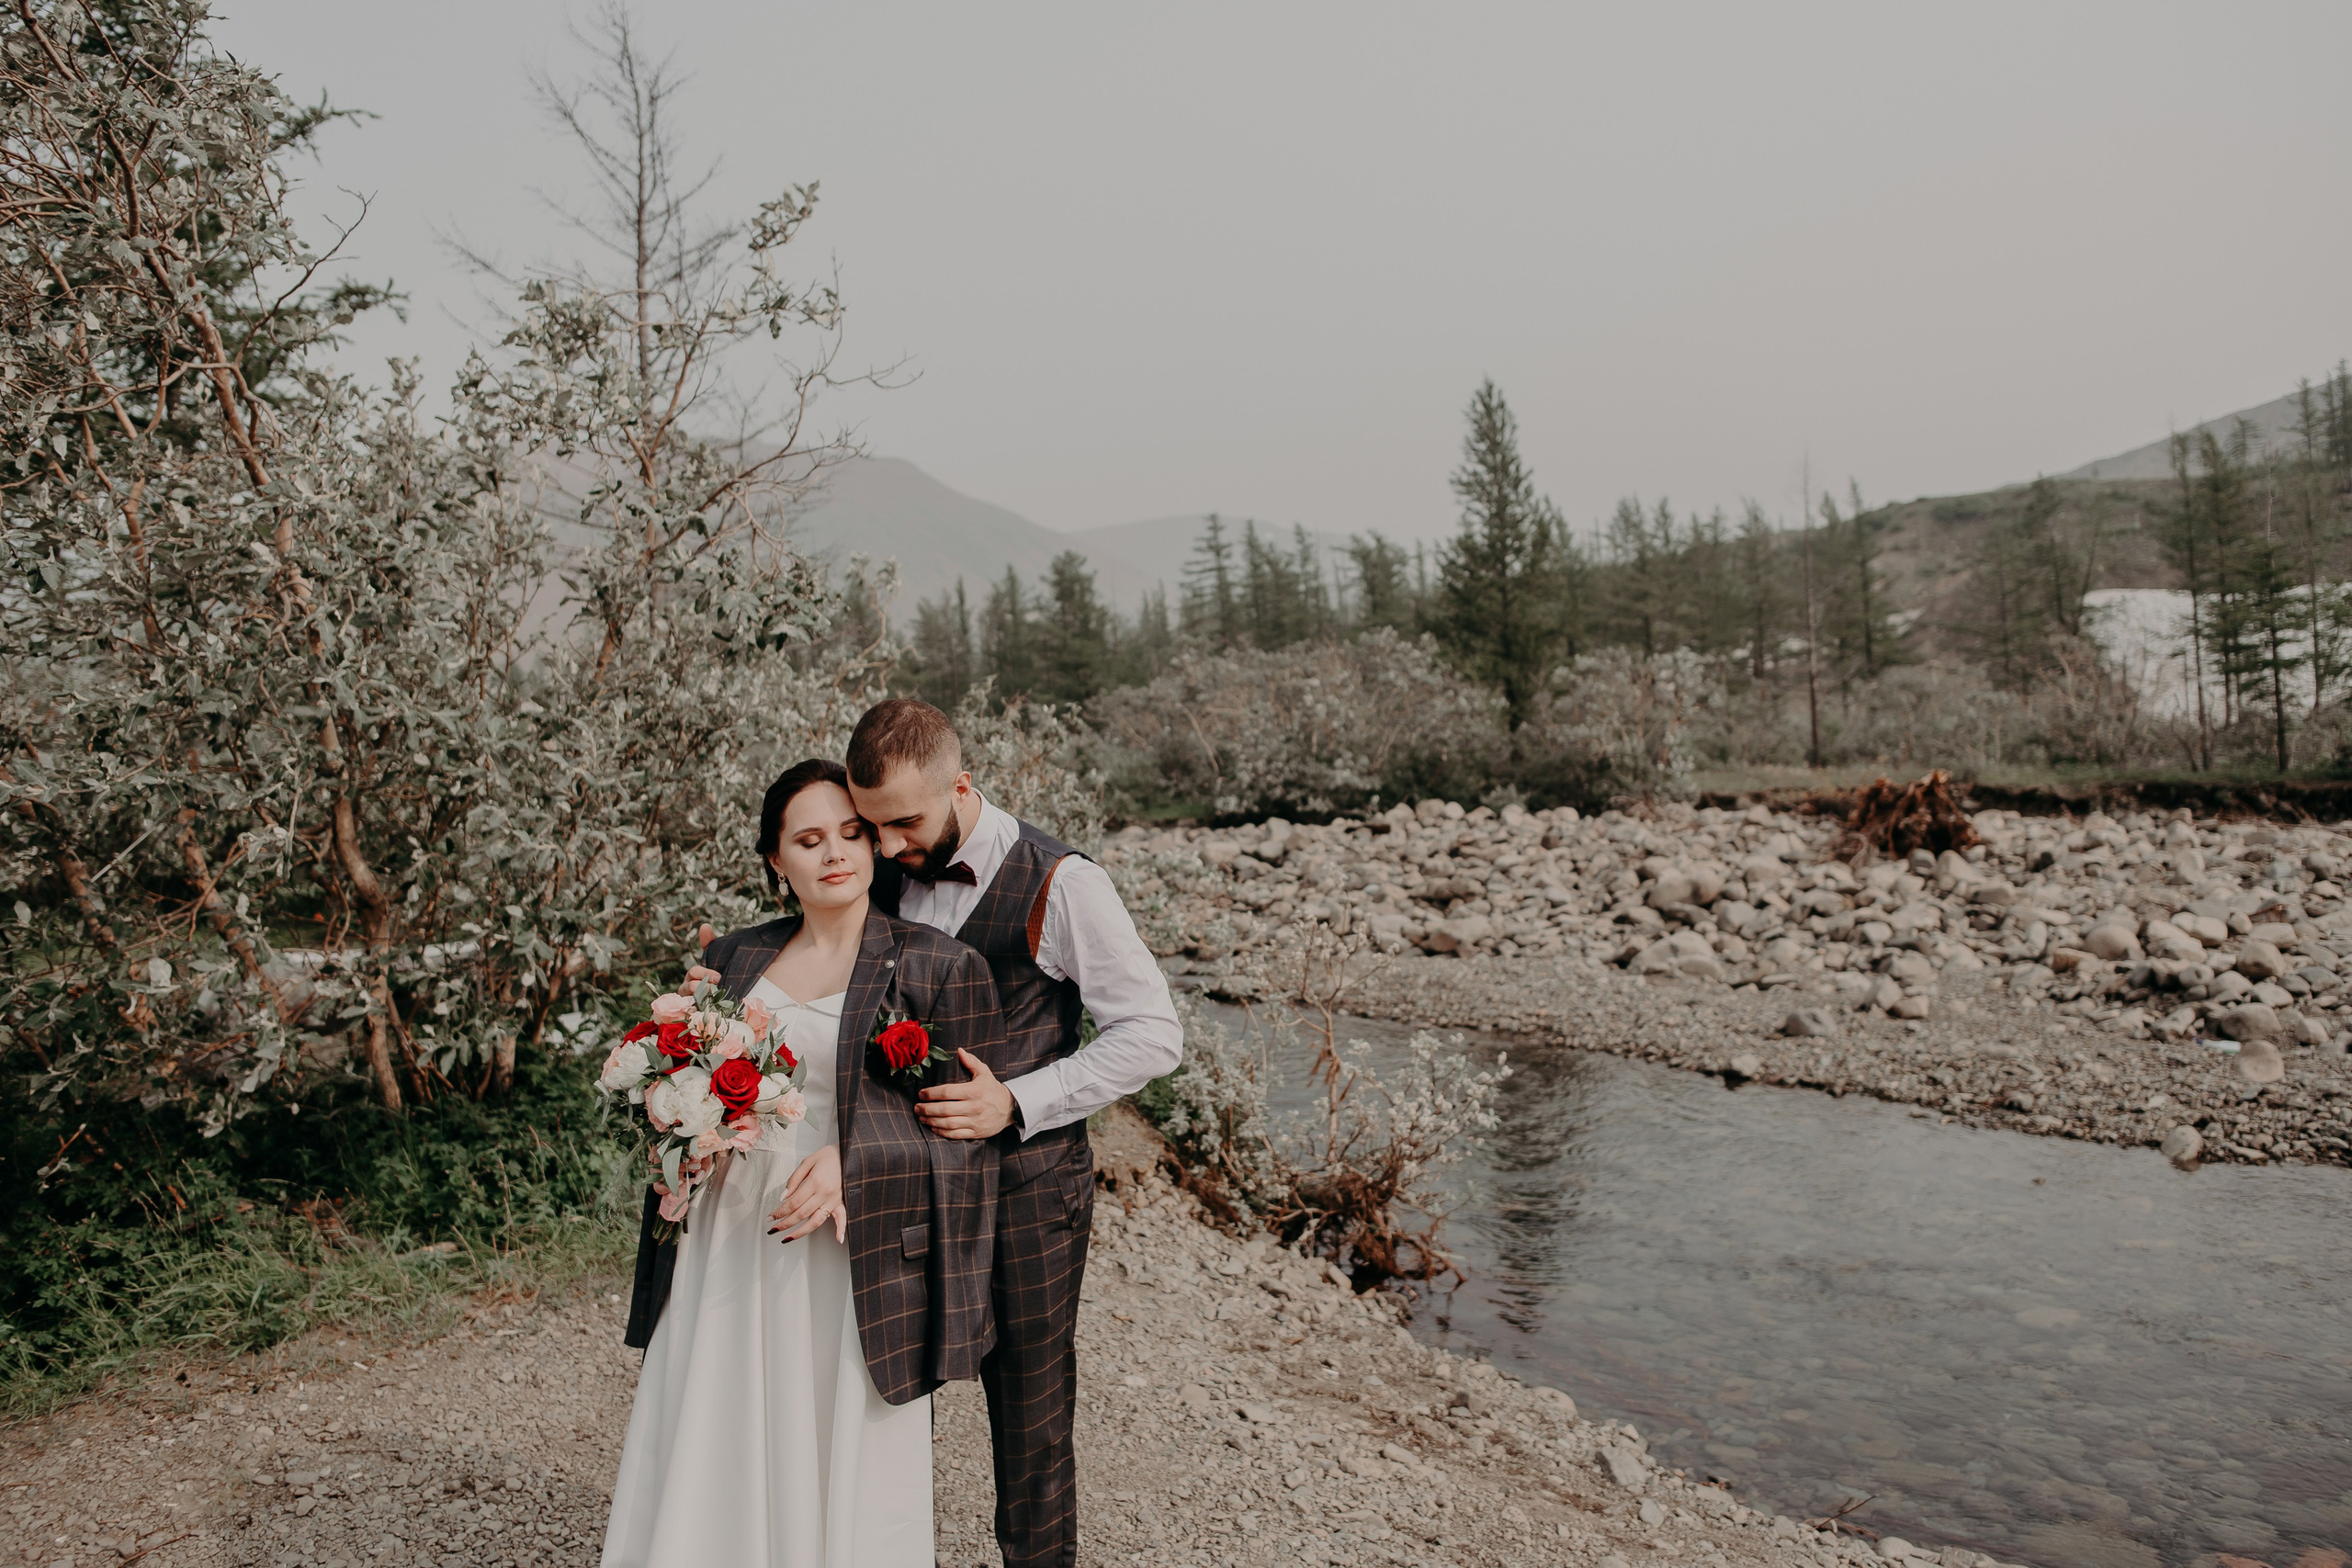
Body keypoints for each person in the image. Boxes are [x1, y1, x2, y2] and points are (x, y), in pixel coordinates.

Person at [604, 758, 1007, 1568]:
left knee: (836, 1428)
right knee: (717, 1412)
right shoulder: (736, 955)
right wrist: (682, 1112)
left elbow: (966, 1140)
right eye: (809, 839)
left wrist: (854, 1160)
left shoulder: (936, 963)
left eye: (853, 834)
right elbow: (682, 1074)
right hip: (729, 1223)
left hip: (848, 1239)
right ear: (774, 859)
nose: (836, 854)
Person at [844, 697, 1183, 1568]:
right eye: (870, 825)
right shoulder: (877, 866)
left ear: (963, 784)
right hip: (902, 1188)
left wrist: (1018, 1101)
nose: (885, 848)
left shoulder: (1063, 882)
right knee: (878, 1397)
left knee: (1031, 1421)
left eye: (904, 824)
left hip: (1029, 1193)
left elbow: (1153, 1032)